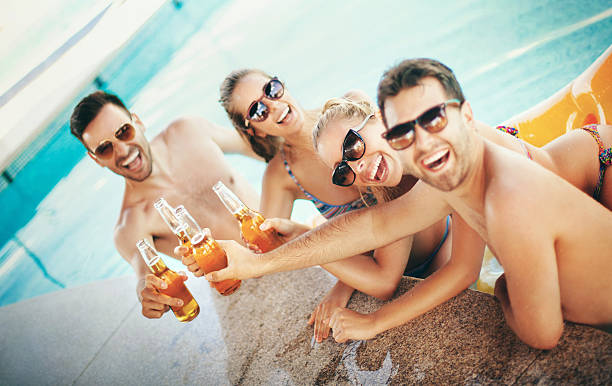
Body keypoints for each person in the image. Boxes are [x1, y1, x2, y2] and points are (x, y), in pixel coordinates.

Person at [206, 59, 612, 349]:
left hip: (596, 169)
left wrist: (507, 288)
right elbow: (377, 227)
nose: (360, 168)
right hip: (562, 209)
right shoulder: (444, 179)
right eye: (344, 171)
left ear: (381, 120)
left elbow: (542, 333)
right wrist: (374, 321)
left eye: (355, 144)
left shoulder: (466, 171)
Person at [214, 69, 451, 342]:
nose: (274, 104)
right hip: (384, 272)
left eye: (271, 90)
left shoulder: (351, 116)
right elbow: (268, 247)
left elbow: (383, 230)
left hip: (436, 249)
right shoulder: (282, 174)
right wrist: (217, 261)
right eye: (258, 110)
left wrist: (342, 285)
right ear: (252, 129)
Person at [69, 90, 259, 320]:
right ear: (95, 158)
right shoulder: (131, 224)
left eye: (123, 132)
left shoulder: (188, 132)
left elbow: (263, 147)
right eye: (104, 148)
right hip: (239, 291)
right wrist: (147, 294)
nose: (122, 151)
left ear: (137, 122)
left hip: (283, 244)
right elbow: (145, 277)